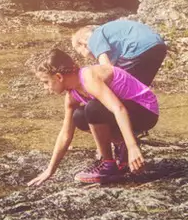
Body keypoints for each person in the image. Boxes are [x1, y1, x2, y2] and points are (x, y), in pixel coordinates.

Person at [26, 45, 159, 187]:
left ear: (59, 76)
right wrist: (50, 170)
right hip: (127, 113)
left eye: (45, 82)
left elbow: (118, 109)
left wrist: (133, 147)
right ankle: (120, 145)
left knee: (93, 108)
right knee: (79, 116)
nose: (45, 88)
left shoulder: (88, 77)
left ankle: (108, 164)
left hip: (146, 111)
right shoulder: (72, 95)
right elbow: (65, 134)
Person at [70, 18, 168, 89]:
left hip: (136, 47)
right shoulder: (109, 33)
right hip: (158, 46)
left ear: (83, 43)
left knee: (118, 84)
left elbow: (106, 69)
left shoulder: (94, 37)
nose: (84, 57)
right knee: (139, 87)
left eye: (80, 52)